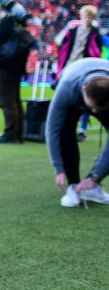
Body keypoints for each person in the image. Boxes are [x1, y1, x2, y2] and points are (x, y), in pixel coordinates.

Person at [45, 56, 109, 207]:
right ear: (84, 89)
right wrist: (59, 168)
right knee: (65, 132)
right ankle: (73, 185)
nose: (94, 112)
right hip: (73, 80)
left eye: (99, 109)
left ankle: (92, 187)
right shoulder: (67, 89)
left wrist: (95, 177)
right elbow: (53, 130)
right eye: (92, 107)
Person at [53, 5, 104, 141]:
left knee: (86, 98)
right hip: (69, 67)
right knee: (66, 96)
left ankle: (82, 129)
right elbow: (60, 43)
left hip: (84, 70)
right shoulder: (72, 31)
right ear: (81, 16)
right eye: (85, 16)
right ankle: (66, 126)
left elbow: (96, 53)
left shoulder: (95, 34)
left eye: (90, 16)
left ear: (92, 18)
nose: (87, 18)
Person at [0, 9, 34, 144]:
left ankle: (10, 134)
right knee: (15, 101)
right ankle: (19, 134)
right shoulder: (19, 26)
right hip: (15, 68)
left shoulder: (6, 22)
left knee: (7, 102)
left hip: (4, 67)